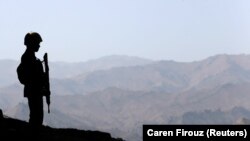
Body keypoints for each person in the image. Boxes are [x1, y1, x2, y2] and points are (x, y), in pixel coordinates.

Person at [18, 32, 46, 129]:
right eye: (37, 43)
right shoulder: (27, 57)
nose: (39, 45)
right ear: (32, 43)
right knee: (36, 117)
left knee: (37, 116)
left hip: (35, 90)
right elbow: (32, 77)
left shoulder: (31, 57)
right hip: (33, 91)